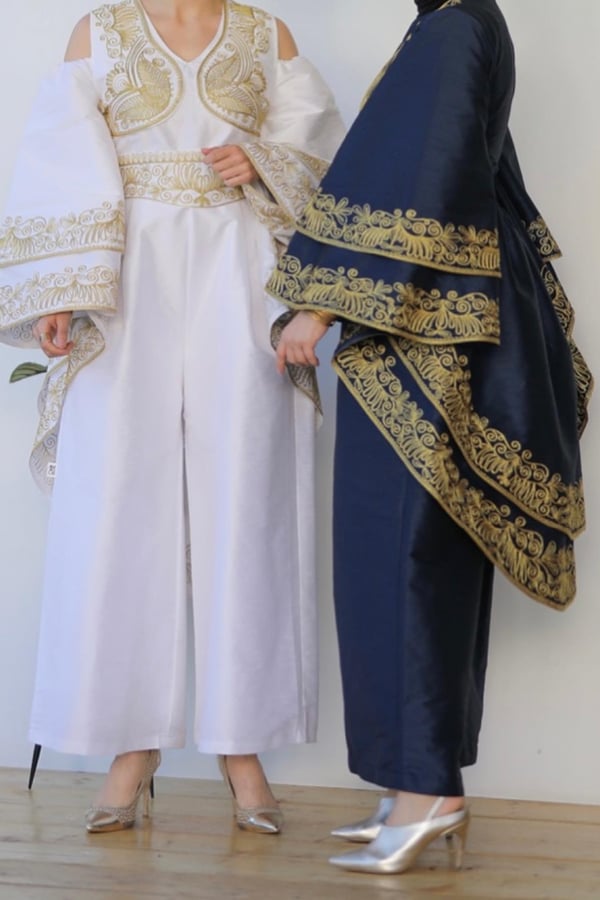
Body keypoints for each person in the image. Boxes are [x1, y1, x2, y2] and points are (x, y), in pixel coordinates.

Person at [0, 0, 344, 834]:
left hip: (241, 273)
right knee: (119, 503)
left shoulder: (267, 35)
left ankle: (241, 746)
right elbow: (61, 161)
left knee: (247, 501)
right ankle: (133, 745)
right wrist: (63, 291)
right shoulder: (99, 32)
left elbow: (330, 165)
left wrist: (261, 159)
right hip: (128, 280)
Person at [269, 0, 592, 874]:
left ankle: (430, 792)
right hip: (424, 327)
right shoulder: (452, 23)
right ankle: (409, 784)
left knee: (409, 557)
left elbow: (429, 178)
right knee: (391, 557)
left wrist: (322, 304)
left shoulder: (455, 28)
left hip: (429, 343)